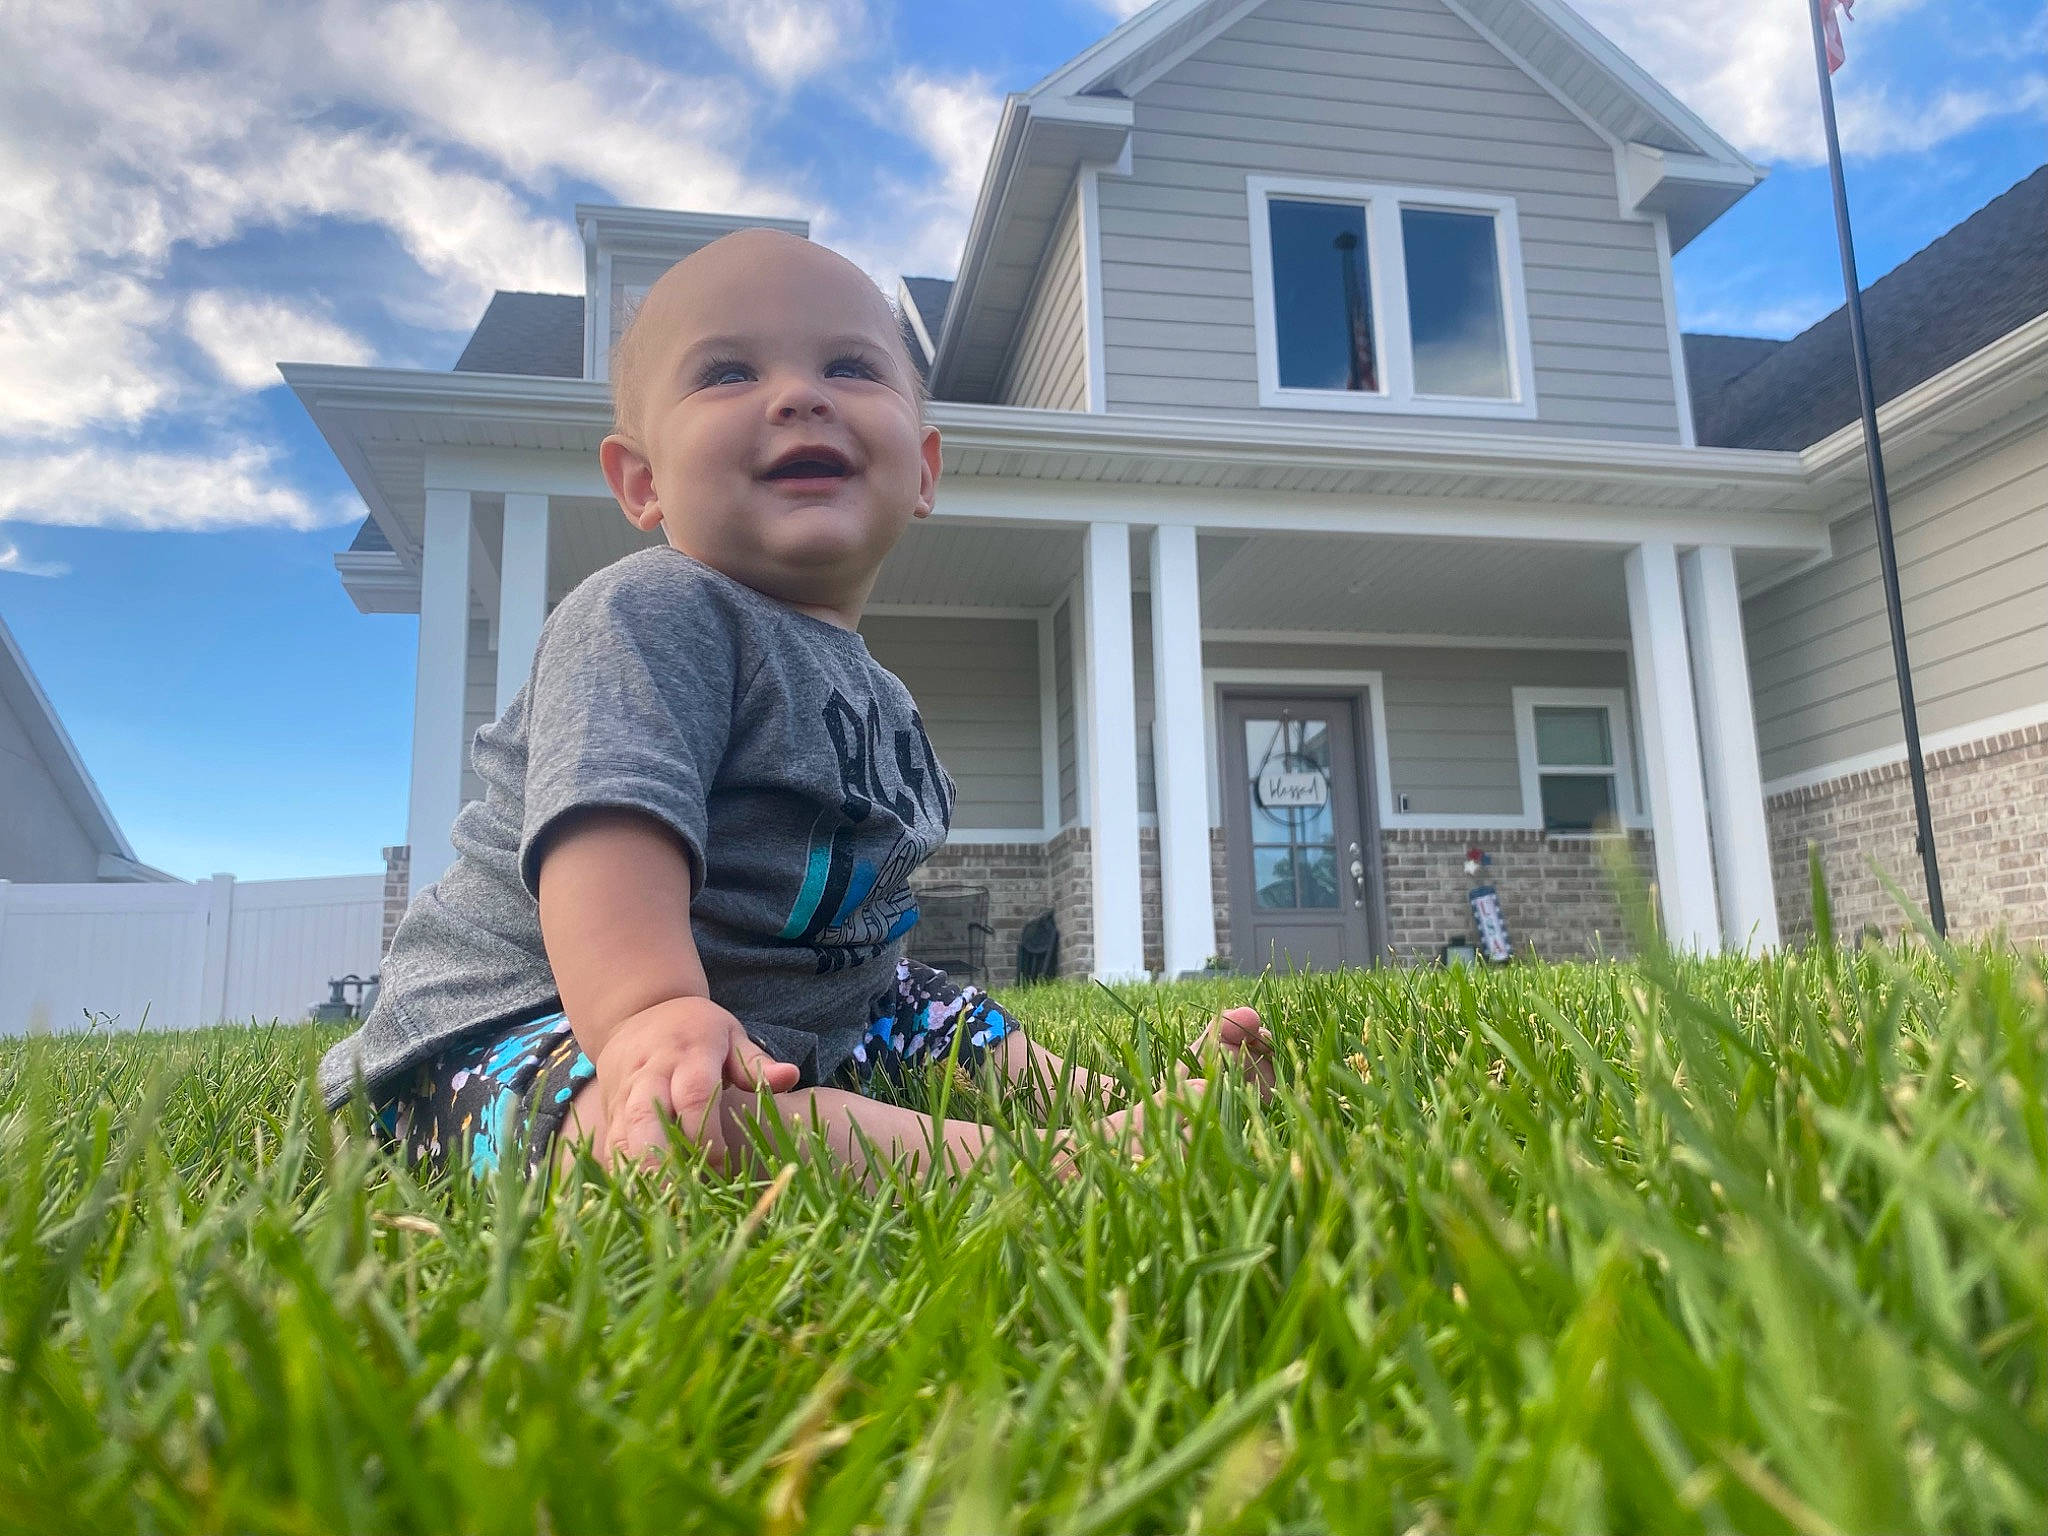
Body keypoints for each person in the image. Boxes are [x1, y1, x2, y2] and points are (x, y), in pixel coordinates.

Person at [317, 228, 1272, 1182]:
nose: (799, 396)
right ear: (643, 482)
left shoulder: (883, 699)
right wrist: (650, 1011)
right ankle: (1038, 1167)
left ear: (924, 470)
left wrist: (866, 996)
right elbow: (606, 833)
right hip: (513, 1026)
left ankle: (1123, 1100)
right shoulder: (646, 613)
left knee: (936, 1008)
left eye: (850, 366)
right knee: (675, 1129)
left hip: (770, 1015)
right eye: (728, 373)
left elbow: (870, 912)